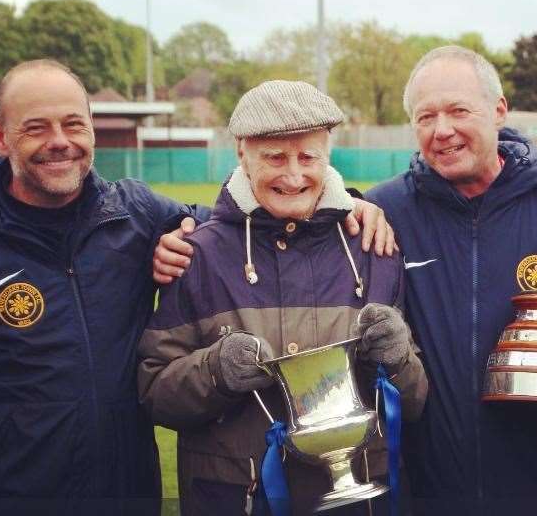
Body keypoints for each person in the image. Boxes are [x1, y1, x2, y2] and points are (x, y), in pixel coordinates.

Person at [0, 59, 394, 516]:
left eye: (74, 123)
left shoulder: (136, 215)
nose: (60, 142)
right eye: (36, 128)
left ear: (92, 128)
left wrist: (345, 202)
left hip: (127, 497)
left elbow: (252, 219)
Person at [157, 47, 537, 514]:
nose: (442, 130)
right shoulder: (380, 216)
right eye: (425, 116)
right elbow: (279, 220)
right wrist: (184, 228)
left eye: (458, 111)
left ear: (500, 110)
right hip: (421, 494)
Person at [136, 80, 428, 516]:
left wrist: (397, 357)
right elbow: (153, 390)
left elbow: (415, 401)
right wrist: (213, 372)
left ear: (328, 154)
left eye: (308, 157)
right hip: (236, 501)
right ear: (242, 153)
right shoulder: (195, 256)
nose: (294, 176)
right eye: (275, 157)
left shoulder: (374, 248)